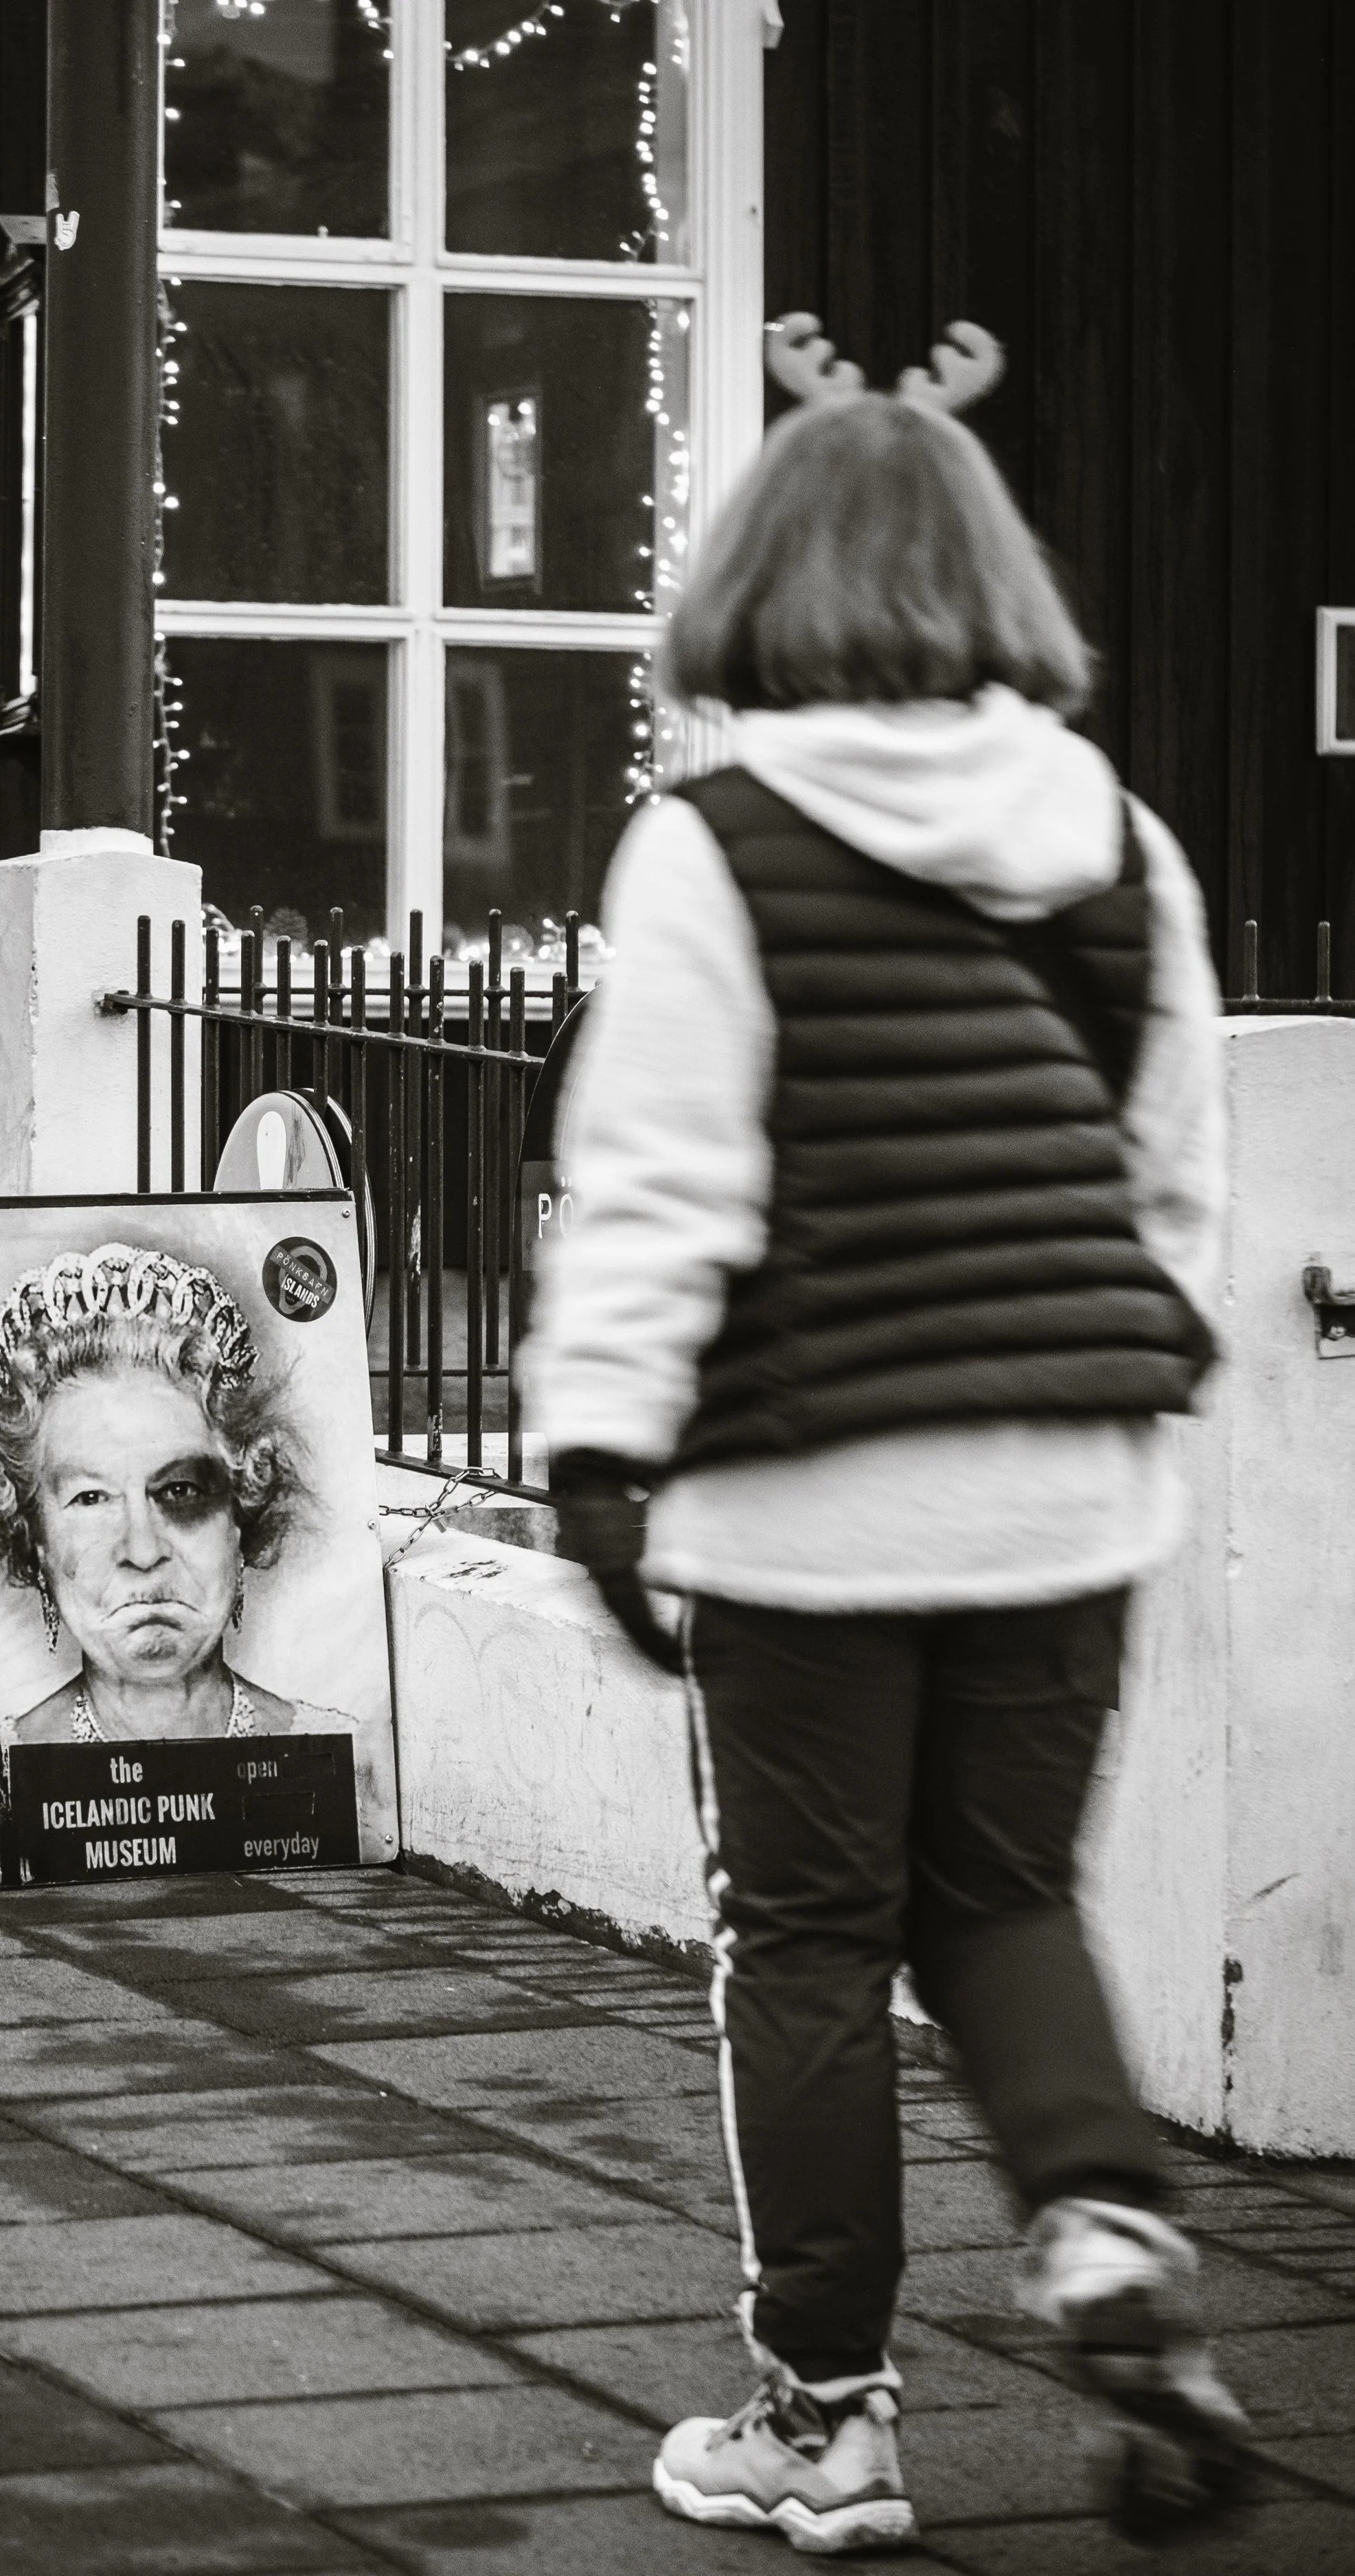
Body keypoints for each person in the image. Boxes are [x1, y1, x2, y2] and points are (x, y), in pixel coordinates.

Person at [527, 317, 1246, 2553]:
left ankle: (825, 2418)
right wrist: (1119, 1374)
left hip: (809, 1500)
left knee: (813, 1947)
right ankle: (1112, 2242)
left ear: (760, 575)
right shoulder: (1118, 836)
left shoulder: (712, 841)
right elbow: (1173, 1173)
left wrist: (602, 1460)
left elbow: (660, 1180)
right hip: (1067, 1472)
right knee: (1004, 1895)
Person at [0, 1241, 354, 1888]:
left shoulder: (343, 1768)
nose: (143, 1550)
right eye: (90, 1499)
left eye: (180, 1491)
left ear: (241, 1513)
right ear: (34, 1537)